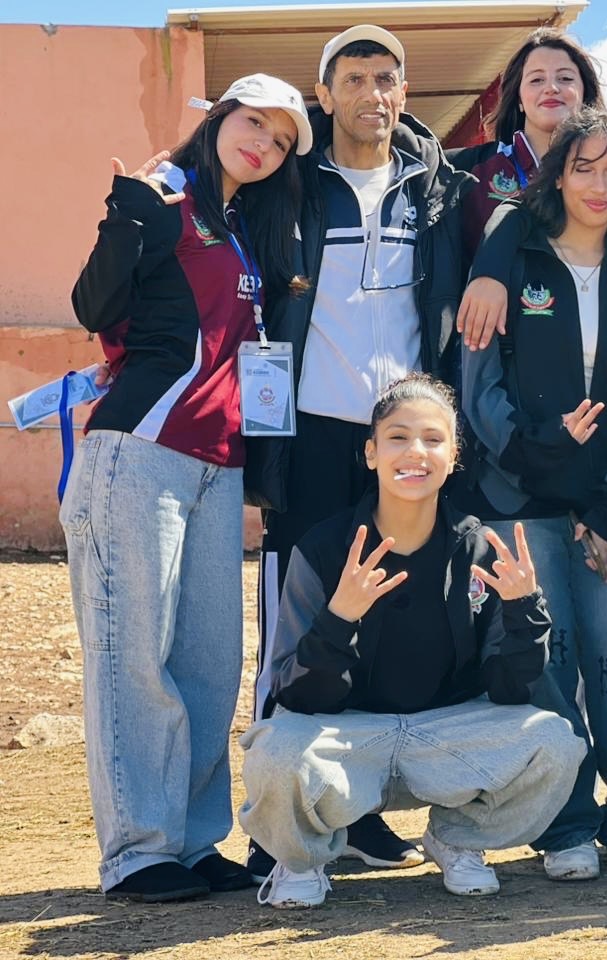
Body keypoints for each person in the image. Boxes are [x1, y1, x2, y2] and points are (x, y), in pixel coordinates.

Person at [63, 73, 309, 902]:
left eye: (281, 140)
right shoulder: (163, 199)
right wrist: (125, 214)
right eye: (254, 123)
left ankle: (196, 841)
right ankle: (139, 850)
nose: (264, 145)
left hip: (219, 465)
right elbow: (90, 304)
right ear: (220, 119)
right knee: (133, 654)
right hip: (140, 451)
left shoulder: (244, 230)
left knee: (208, 664)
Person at [249, 23, 473, 878]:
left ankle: (361, 810)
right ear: (326, 92)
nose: (372, 93)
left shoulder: (438, 189)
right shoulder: (290, 184)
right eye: (353, 78)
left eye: (386, 78)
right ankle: (279, 823)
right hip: (312, 432)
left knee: (387, 621)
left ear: (404, 92)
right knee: (299, 621)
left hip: (403, 441)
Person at [242, 374, 584, 908]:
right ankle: (303, 857)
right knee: (273, 751)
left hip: (444, 738)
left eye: (433, 439)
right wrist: (339, 618)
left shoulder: (479, 547)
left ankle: (456, 838)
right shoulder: (323, 548)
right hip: (350, 740)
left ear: (453, 457)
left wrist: (524, 611)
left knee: (556, 744)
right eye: (397, 437)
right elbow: (295, 695)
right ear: (371, 453)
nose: (415, 452)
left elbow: (509, 690)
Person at [459, 108, 607, 879]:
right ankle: (563, 824)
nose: (599, 184)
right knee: (544, 651)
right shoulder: (510, 262)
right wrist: (528, 453)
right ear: (556, 177)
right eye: (583, 167)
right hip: (518, 498)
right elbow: (477, 380)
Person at [448, 27, 604, 260]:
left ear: (585, 94)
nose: (551, 88)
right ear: (519, 99)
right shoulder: (465, 170)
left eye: (565, 78)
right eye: (536, 79)